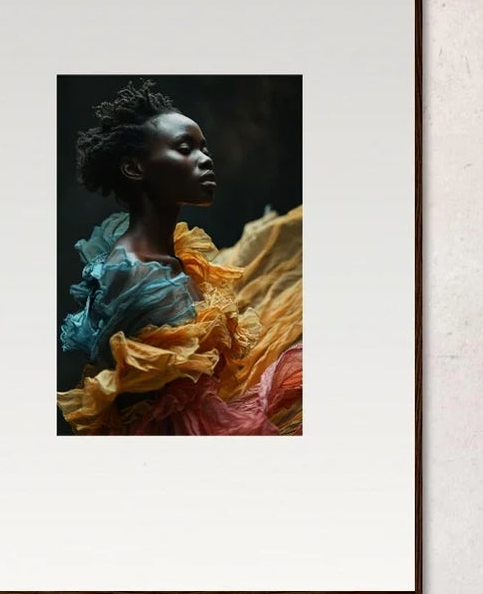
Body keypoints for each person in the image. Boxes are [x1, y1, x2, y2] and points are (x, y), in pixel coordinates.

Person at [57, 78, 302, 435]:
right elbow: (144, 416)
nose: (205, 160)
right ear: (135, 168)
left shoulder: (175, 256)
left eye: (205, 149)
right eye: (185, 148)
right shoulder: (133, 274)